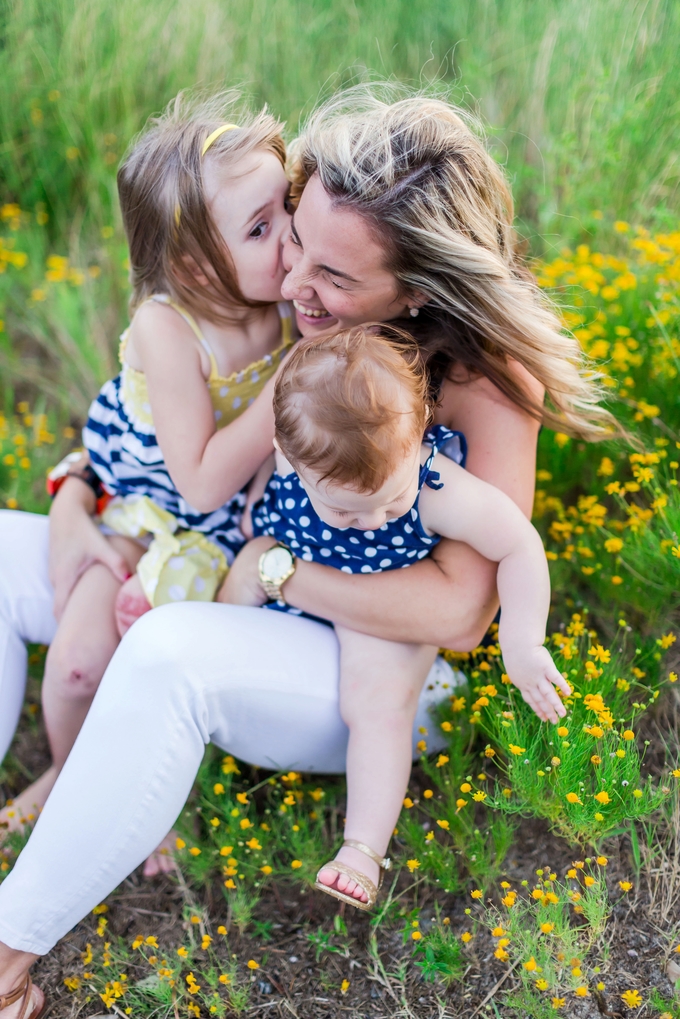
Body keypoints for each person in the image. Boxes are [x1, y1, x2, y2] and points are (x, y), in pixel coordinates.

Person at [0, 86, 614, 1015]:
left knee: (170, 654)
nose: (293, 285)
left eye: (330, 275)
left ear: (416, 290)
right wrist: (77, 489)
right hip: (250, 581)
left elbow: (459, 613)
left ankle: (6, 953)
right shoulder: (313, 297)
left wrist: (278, 567)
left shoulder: (482, 380)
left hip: (377, 675)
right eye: (293, 235)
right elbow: (166, 416)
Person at [0, 92, 294, 864]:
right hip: (144, 512)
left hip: (230, 528)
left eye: (285, 209)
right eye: (262, 229)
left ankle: (129, 787)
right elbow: (194, 481)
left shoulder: (286, 295)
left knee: (155, 670)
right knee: (74, 664)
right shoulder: (170, 326)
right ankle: (67, 770)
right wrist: (287, 383)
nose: (290, 239)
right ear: (195, 266)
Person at [227, 325, 569, 909]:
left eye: (391, 499)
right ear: (287, 454)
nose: (378, 519)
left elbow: (519, 544)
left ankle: (361, 849)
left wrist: (523, 642)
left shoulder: (436, 485)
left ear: (419, 439)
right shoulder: (300, 449)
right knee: (222, 639)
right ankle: (212, 777)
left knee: (378, 706)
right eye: (348, 510)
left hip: (380, 609)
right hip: (292, 582)